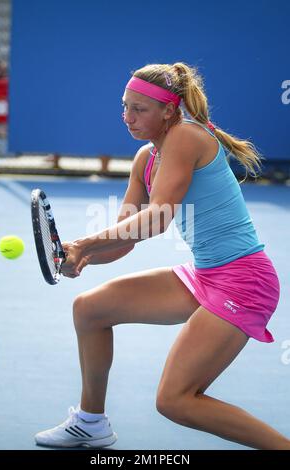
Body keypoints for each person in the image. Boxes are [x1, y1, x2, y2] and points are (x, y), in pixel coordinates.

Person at [35, 62, 289, 450]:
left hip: (244, 279)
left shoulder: (187, 136)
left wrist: (85, 244)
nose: (127, 117)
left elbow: (157, 219)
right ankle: (90, 422)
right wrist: (80, 256)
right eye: (124, 107)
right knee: (89, 309)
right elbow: (125, 240)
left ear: (170, 110)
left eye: (139, 109)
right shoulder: (145, 160)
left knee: (175, 401)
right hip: (205, 275)